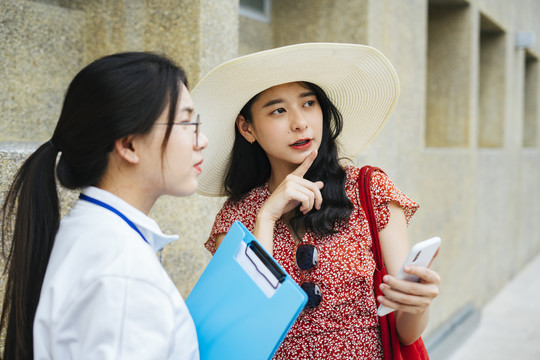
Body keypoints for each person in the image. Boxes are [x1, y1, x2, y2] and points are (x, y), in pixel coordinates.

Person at [191, 43, 440, 359]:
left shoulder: (369, 190)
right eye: (278, 110)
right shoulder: (237, 216)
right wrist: (266, 217)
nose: (300, 123)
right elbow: (244, 327)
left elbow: (406, 332)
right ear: (247, 127)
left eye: (308, 103)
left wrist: (418, 305)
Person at [0, 52, 207, 359]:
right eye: (187, 121)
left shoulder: (96, 235)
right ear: (129, 145)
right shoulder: (123, 277)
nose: (201, 140)